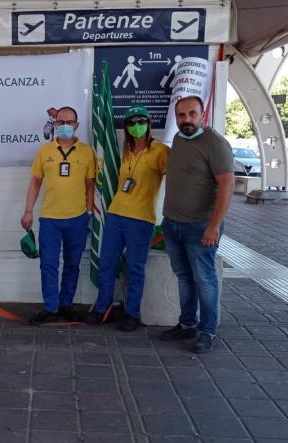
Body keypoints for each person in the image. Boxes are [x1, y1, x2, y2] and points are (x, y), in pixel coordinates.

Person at [158, 96, 235, 353]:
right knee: (184, 278)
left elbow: (227, 185)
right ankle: (187, 324)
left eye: (192, 114)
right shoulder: (179, 140)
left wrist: (214, 226)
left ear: (203, 114)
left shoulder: (215, 144)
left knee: (205, 279)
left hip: (200, 227)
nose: (186, 120)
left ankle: (208, 330)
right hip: (173, 224)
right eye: (181, 115)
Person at [85, 105, 169, 332]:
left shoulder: (160, 151)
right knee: (107, 264)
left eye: (141, 121)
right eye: (131, 122)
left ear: (149, 124)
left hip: (141, 220)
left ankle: (131, 313)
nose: (136, 125)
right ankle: (103, 308)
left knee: (135, 268)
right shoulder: (125, 151)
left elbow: (178, 176)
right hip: (116, 215)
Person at [21, 106, 96, 325]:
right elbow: (35, 181)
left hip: (78, 218)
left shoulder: (87, 152)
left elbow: (90, 184)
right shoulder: (45, 151)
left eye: (69, 123)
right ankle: (50, 307)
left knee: (72, 264)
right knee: (48, 264)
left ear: (77, 125)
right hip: (50, 219)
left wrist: (89, 213)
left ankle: (66, 305)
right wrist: (28, 211)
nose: (65, 127)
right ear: (55, 124)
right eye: (60, 123)